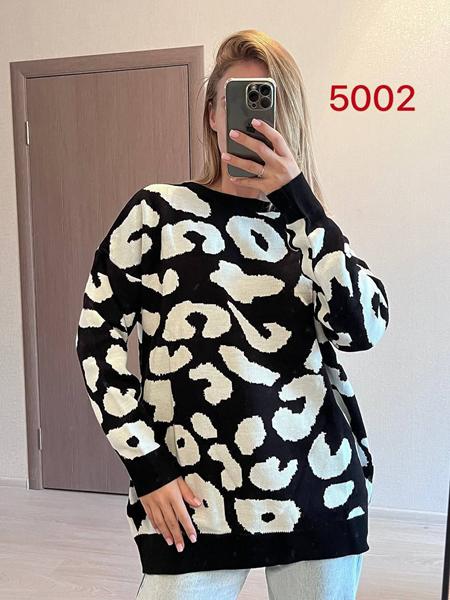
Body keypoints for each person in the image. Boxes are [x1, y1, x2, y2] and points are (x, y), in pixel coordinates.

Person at [75, 29, 389, 600]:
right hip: (190, 499)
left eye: (268, 100)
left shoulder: (309, 226)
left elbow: (363, 328)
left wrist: (300, 201)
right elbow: (98, 341)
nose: (252, 117)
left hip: (318, 491)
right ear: (213, 115)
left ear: (288, 116)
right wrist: (147, 466)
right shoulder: (159, 212)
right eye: (238, 99)